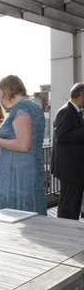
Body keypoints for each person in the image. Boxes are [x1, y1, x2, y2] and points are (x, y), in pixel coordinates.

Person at [0, 75, 46, 215]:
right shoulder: (33, 106)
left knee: (17, 214)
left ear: (8, 90)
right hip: (27, 168)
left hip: (17, 174)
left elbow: (23, 145)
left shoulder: (21, 109)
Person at [50, 83, 84, 220]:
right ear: (82, 95)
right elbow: (62, 137)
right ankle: (64, 231)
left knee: (74, 203)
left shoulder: (74, 111)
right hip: (70, 169)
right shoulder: (66, 111)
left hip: (75, 168)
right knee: (68, 206)